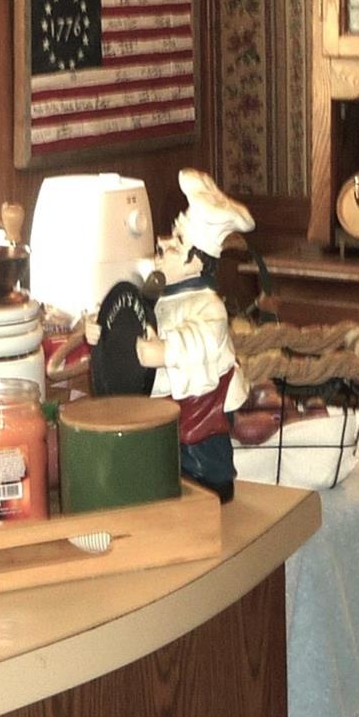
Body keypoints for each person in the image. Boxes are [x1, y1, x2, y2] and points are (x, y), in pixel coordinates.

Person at [85, 168, 254, 499]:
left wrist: (166, 351)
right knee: (159, 449)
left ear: (195, 263)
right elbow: (131, 315)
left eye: (177, 242)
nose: (163, 243)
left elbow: (201, 340)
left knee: (200, 452)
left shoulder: (209, 305)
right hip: (164, 398)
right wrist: (101, 329)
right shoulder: (157, 290)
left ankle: (211, 485)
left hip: (200, 402)